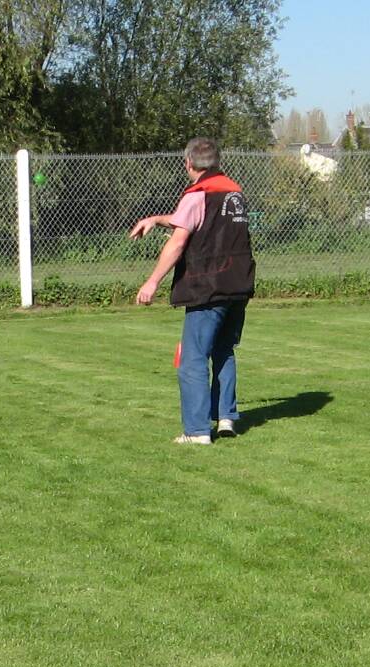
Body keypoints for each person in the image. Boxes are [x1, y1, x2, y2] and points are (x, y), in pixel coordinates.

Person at [129, 137, 255, 445]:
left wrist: (152, 281)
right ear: (216, 162)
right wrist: (156, 220)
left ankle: (197, 431)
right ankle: (225, 417)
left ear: (188, 163)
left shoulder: (197, 194)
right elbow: (196, 223)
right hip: (237, 285)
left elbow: (179, 241)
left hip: (207, 286)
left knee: (193, 359)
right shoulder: (234, 191)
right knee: (224, 351)